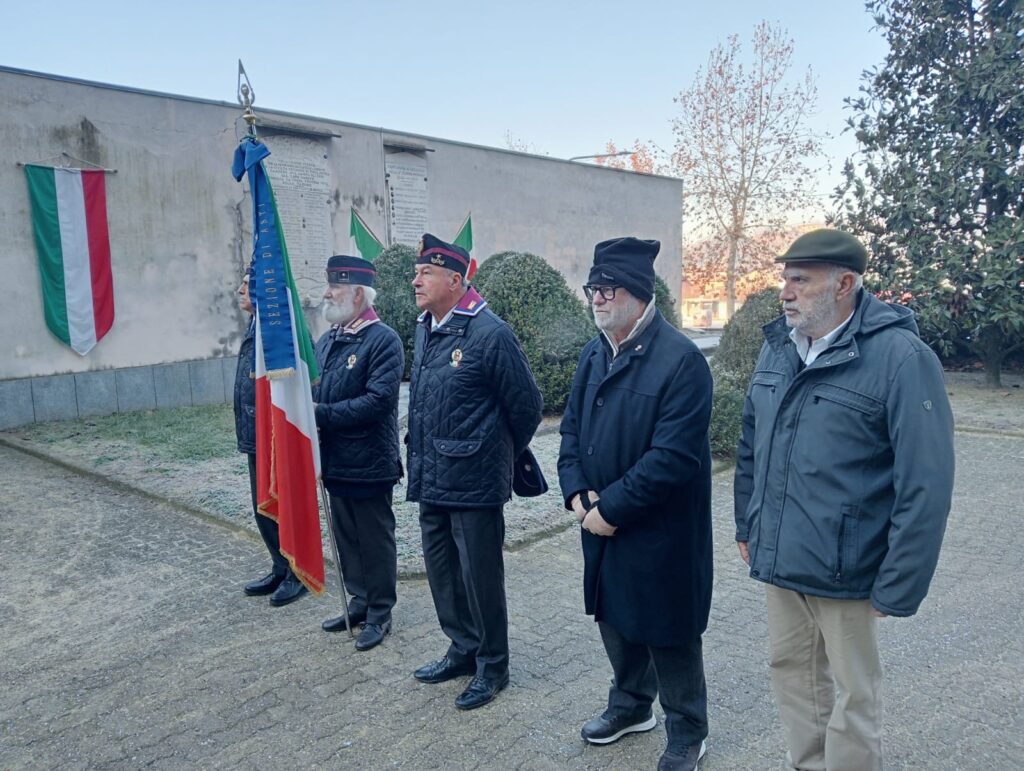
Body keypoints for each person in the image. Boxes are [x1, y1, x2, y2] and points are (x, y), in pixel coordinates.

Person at [734, 229, 955, 771]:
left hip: (847, 567)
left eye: (800, 280)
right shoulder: (778, 346)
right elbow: (749, 445)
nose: (785, 291)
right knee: (792, 672)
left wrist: (900, 580)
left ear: (845, 284)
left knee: (855, 696)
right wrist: (748, 527)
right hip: (782, 556)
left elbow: (926, 481)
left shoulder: (901, 358)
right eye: (785, 278)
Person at [558, 237, 714, 771]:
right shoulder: (595, 350)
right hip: (599, 518)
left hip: (658, 529)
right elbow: (571, 429)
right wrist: (576, 491)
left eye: (607, 289)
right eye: (592, 289)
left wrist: (609, 510)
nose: (596, 299)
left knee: (668, 631)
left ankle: (688, 730)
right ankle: (630, 706)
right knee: (616, 619)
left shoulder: (683, 361)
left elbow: (671, 459)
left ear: (640, 294)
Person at [406, 233, 543, 710]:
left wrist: (491, 454)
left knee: (480, 577)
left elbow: (527, 407)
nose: (415, 279)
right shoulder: (425, 326)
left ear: (456, 279)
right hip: (430, 474)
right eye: (417, 271)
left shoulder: (490, 333)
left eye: (426, 272)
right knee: (442, 573)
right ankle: (462, 649)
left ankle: (493, 666)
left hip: (474, 481)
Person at [312, 255, 404, 651]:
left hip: (369, 463)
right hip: (335, 461)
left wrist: (320, 414)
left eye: (336, 286)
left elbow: (378, 402)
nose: (326, 293)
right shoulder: (329, 338)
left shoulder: (383, 340)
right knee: (346, 537)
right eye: (329, 284)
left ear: (358, 294)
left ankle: (380, 613)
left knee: (373, 539)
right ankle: (359, 600)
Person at [234, 268, 307, 607]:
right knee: (261, 505)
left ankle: (297, 573)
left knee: (282, 503)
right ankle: (279, 566)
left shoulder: (275, 332)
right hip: (253, 430)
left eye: (247, 286)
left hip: (273, 433)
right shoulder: (254, 327)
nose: (240, 290)